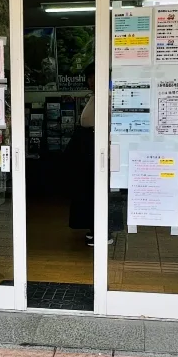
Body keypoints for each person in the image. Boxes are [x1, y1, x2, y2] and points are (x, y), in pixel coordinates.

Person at [67, 63, 113, 246]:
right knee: (89, 191)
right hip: (89, 150)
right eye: (89, 78)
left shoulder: (107, 97)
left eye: (95, 77)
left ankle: (103, 232)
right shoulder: (96, 96)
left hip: (100, 151)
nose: (91, 81)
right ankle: (95, 229)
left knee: (97, 192)